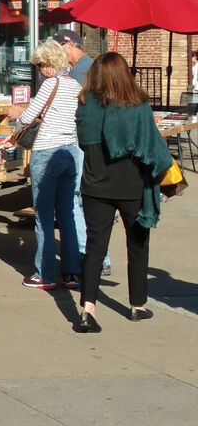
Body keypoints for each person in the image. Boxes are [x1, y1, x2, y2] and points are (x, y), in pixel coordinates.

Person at [73, 53, 174, 332]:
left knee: (95, 248)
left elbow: (83, 145)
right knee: (138, 246)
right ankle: (137, 306)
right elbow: (153, 150)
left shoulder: (84, 106)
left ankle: (87, 310)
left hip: (95, 185)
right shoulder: (138, 106)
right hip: (132, 187)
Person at [7, 39, 84, 291]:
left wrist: (15, 130)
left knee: (43, 215)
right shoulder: (75, 85)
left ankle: (45, 273)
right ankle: (72, 273)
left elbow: (28, 116)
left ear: (50, 66)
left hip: (46, 152)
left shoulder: (50, 84)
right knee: (67, 214)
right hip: (70, 151)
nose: (39, 71)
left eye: (40, 66)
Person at [53, 27, 99, 272]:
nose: (58, 52)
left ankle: (87, 253)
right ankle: (92, 254)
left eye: (60, 47)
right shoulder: (83, 68)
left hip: (79, 140)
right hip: (80, 138)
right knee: (76, 198)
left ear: (70, 44)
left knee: (74, 198)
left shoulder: (81, 71)